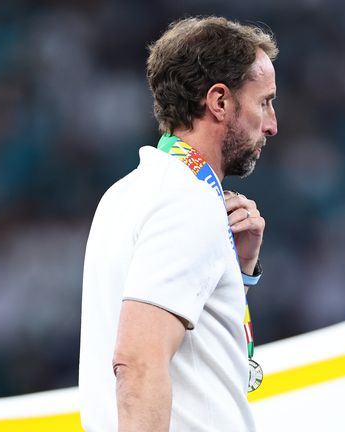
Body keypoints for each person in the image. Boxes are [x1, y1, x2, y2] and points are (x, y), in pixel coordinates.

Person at [79, 16, 278, 431]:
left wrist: (236, 270)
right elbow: (138, 361)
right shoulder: (186, 200)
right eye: (264, 102)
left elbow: (192, 351)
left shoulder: (126, 194)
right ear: (219, 101)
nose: (272, 124)